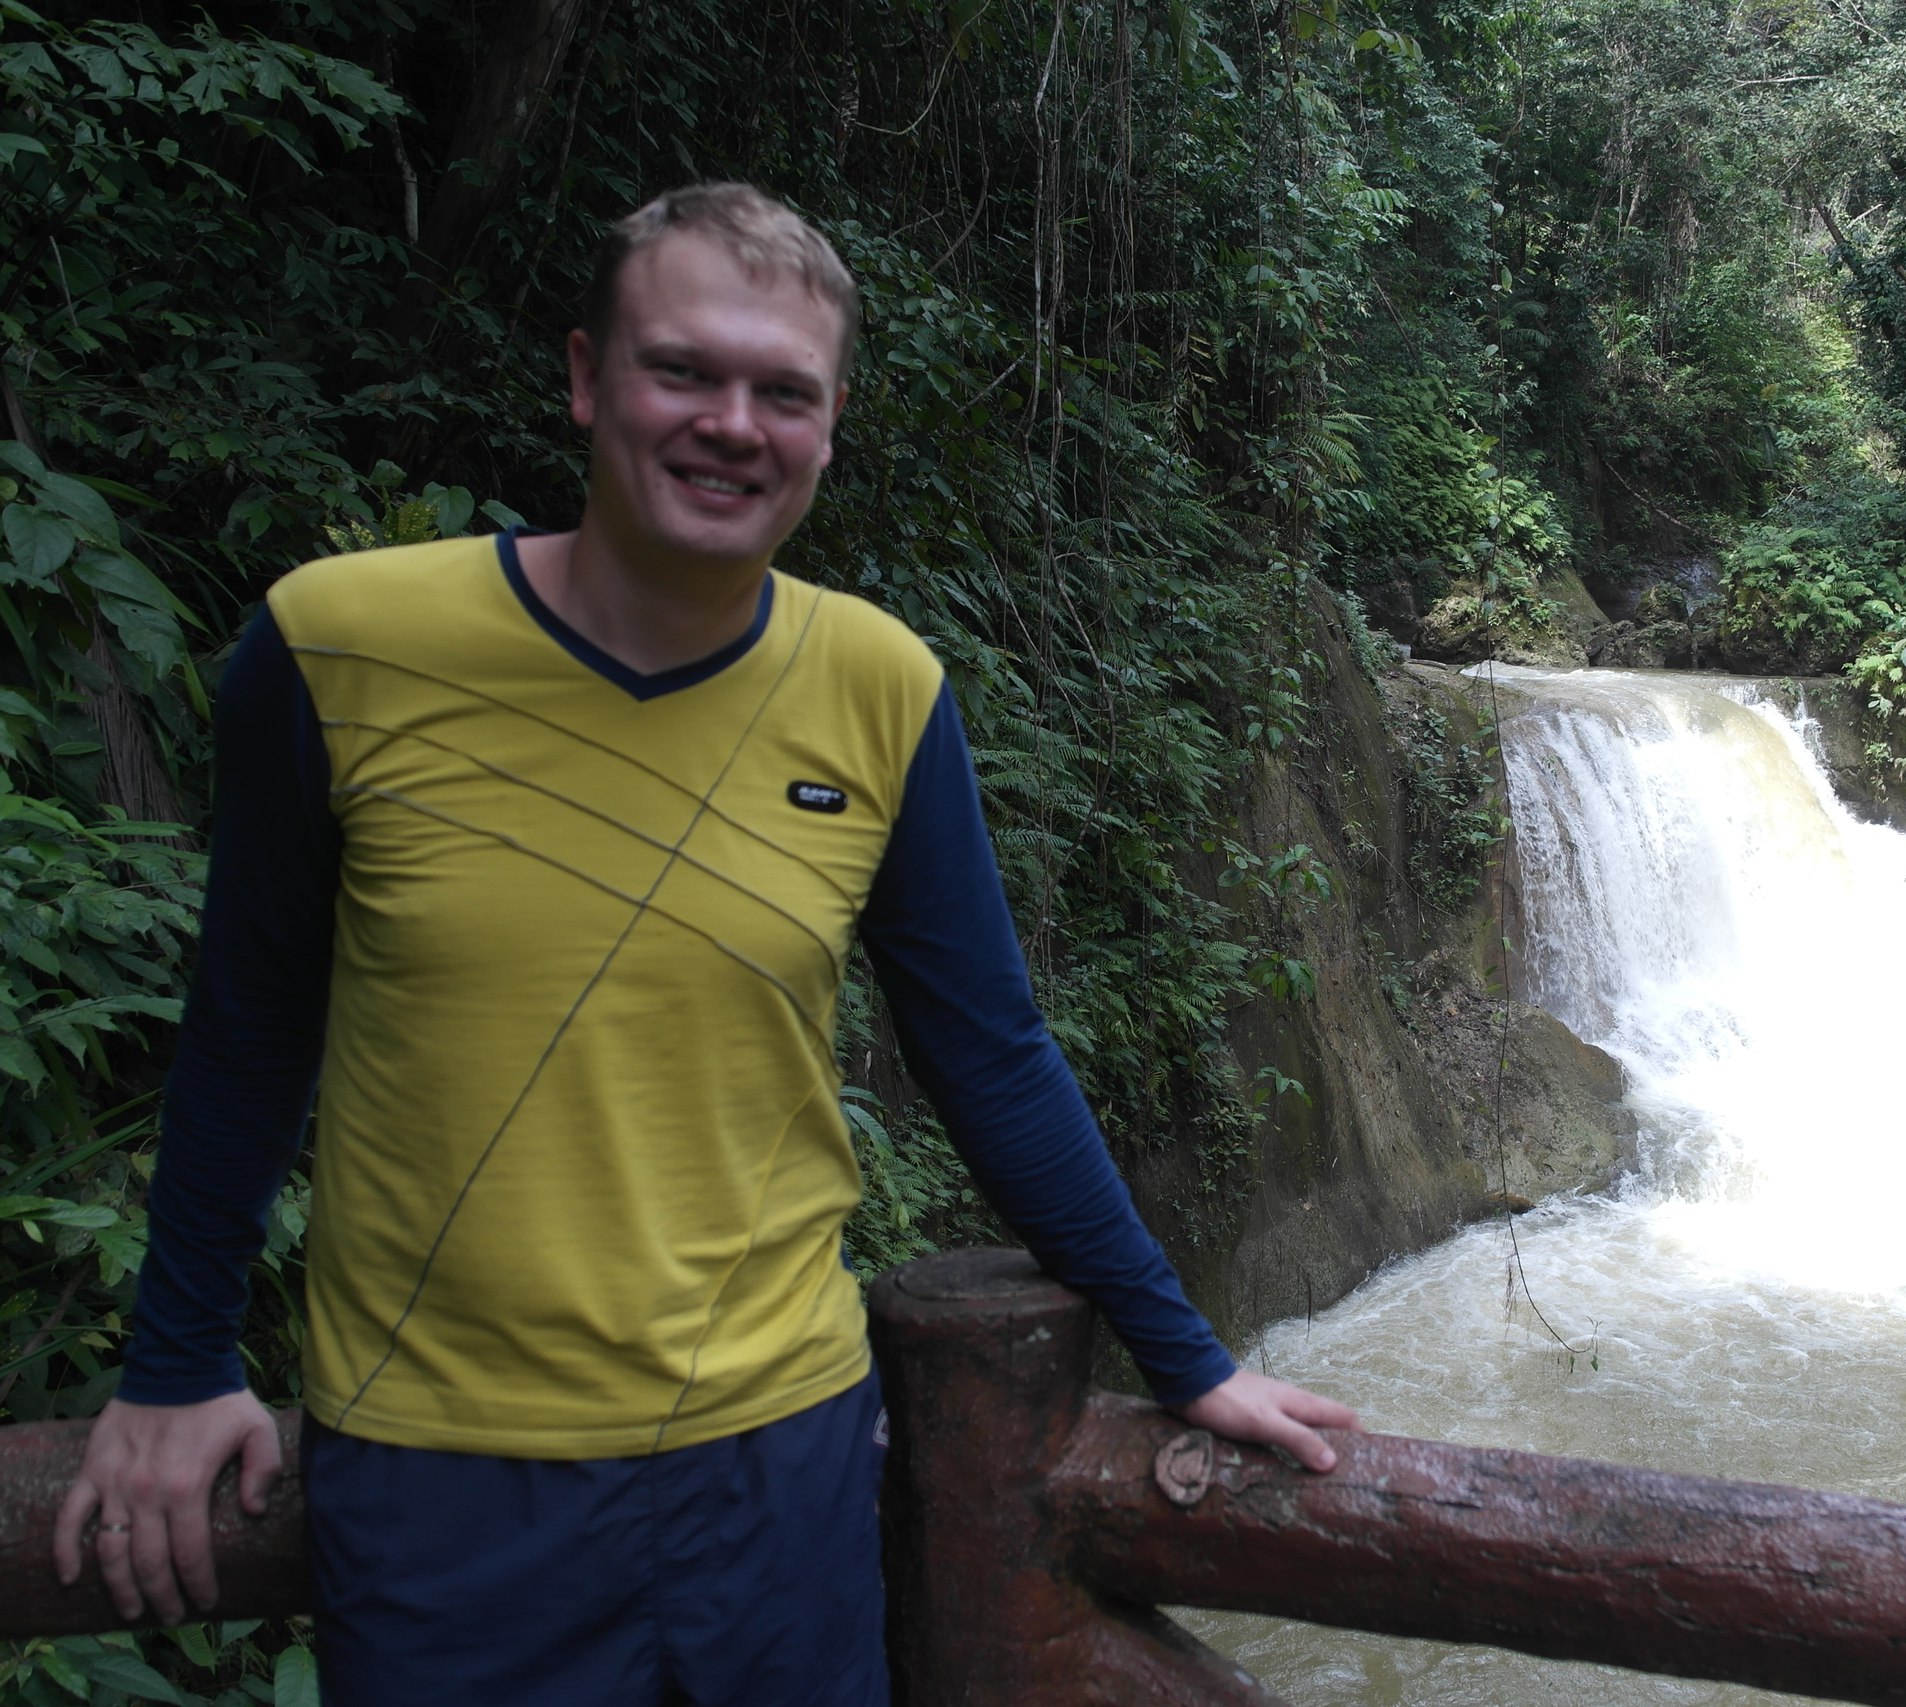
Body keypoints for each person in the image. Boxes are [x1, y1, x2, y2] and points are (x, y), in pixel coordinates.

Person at [52, 181, 1357, 1704]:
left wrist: (1188, 1359)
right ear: (588, 376)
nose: (733, 423)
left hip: (782, 1465)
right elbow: (248, 1032)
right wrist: (177, 1363)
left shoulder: (882, 688)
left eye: (782, 391)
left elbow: (987, 1054)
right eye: (685, 369)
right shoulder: (338, 646)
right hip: (439, 1473)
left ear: (830, 421)